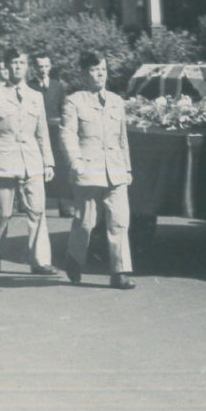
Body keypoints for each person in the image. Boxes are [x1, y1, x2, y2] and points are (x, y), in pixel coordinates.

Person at [60, 51, 136, 289]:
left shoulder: (116, 101)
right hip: (88, 169)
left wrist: (127, 167)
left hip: (115, 169)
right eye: (94, 70)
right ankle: (74, 258)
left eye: (103, 68)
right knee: (85, 223)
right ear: (84, 74)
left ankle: (119, 272)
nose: (100, 73)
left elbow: (122, 137)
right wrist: (75, 162)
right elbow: (67, 135)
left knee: (120, 221)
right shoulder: (74, 101)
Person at [0, 48, 57, 275]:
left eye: (22, 63)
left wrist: (48, 162)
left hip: (32, 161)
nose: (17, 67)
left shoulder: (36, 97)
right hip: (4, 161)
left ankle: (40, 261)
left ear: (27, 67)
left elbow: (42, 132)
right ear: (7, 66)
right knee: (2, 213)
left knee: (37, 211)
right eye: (13, 63)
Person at [31, 51, 72, 216]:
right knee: (36, 167)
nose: (43, 70)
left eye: (46, 66)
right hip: (36, 132)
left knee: (60, 167)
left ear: (50, 66)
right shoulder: (29, 86)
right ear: (35, 67)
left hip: (55, 132)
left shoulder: (57, 86)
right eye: (40, 66)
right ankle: (34, 204)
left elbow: (64, 109)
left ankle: (64, 205)